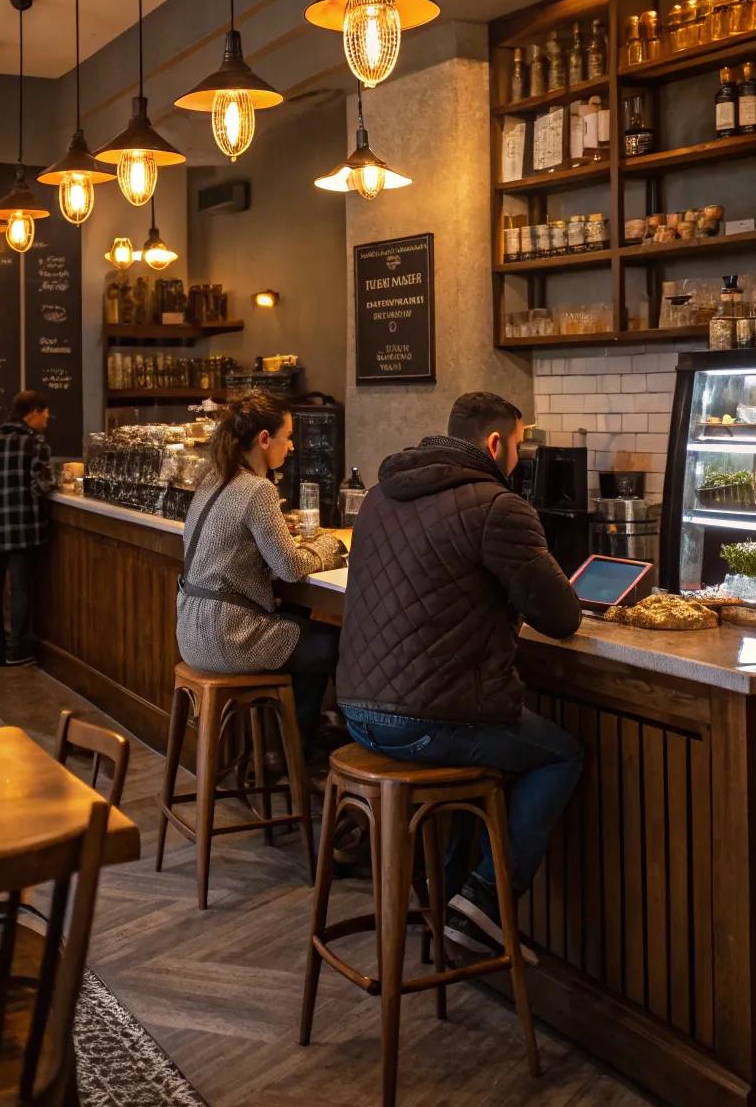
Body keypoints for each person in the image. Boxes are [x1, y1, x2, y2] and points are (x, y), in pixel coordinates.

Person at [336, 390, 583, 958]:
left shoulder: (378, 496)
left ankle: (448, 899)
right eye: (519, 446)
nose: (518, 458)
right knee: (559, 754)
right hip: (428, 723)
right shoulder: (497, 506)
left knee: (478, 753)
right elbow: (563, 617)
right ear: (496, 443)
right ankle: (483, 907)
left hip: (357, 715)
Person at [177, 391, 345, 756]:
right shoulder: (257, 489)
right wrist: (329, 547)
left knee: (300, 622)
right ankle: (300, 752)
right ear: (264, 439)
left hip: (192, 629)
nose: (293, 447)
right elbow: (290, 565)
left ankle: (285, 746)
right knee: (336, 645)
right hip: (227, 637)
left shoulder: (213, 480)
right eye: (287, 437)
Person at [0, 390, 54, 668]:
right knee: (20, 590)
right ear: (32, 411)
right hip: (21, 529)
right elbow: (41, 486)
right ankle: (18, 651)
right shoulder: (35, 444)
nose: (47, 419)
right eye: (45, 413)